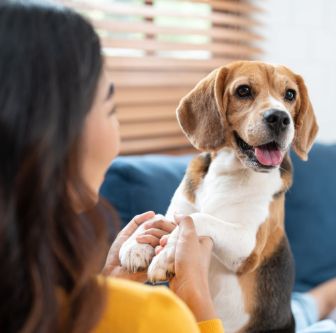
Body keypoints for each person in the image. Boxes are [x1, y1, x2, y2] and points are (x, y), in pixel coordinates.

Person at [0, 1, 222, 332]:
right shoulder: (154, 317)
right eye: (110, 106)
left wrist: (108, 286)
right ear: (54, 133)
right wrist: (198, 300)